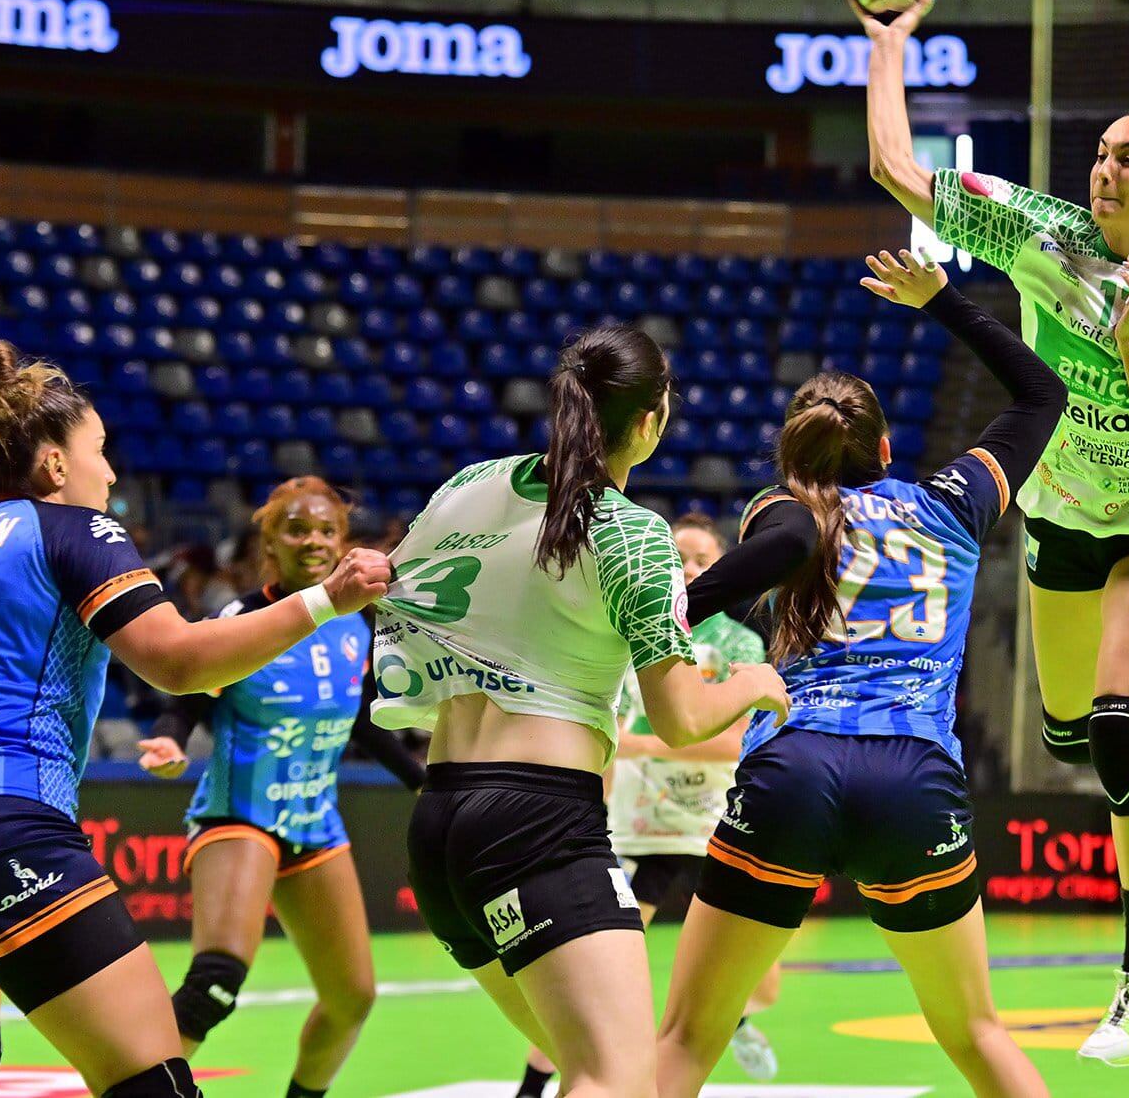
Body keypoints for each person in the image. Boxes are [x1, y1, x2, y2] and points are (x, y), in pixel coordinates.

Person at [855, 0, 1129, 1065]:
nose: (1105, 168)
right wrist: (889, 47)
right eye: (1100, 151)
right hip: (1061, 513)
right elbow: (898, 171)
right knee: (1071, 737)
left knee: (1125, 731)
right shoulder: (1039, 231)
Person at [0, 341, 391, 1098]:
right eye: (100, 452)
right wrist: (325, 601)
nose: (109, 473)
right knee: (151, 1081)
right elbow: (178, 662)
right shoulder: (77, 528)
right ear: (53, 465)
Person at [656, 252, 1062, 1098]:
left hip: (794, 764)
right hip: (912, 778)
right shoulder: (953, 501)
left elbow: (768, 555)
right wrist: (942, 300)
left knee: (687, 1040)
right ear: (882, 445)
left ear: (794, 452)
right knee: (976, 1034)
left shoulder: (778, 510)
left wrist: (669, 612)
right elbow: (1040, 396)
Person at [372, 325, 789, 1098]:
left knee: (588, 1066)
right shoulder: (632, 533)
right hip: (537, 823)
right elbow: (679, 717)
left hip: (440, 826)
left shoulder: (468, 485)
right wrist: (756, 680)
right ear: (652, 419)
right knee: (618, 1078)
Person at [138, 477, 423, 1098]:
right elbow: (187, 694)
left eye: (327, 530)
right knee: (215, 980)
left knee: (352, 998)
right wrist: (168, 738)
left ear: (344, 543)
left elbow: (365, 723)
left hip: (316, 821)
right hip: (239, 815)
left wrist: (428, 787)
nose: (314, 540)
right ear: (272, 541)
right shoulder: (243, 616)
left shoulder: (358, 626)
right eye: (297, 529)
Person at [514, 514, 781, 1098]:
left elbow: (730, 743)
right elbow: (610, 733)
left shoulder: (742, 644)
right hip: (643, 825)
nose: (690, 568)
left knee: (765, 985)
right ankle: (532, 1085)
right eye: (680, 557)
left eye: (704, 559)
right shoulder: (635, 630)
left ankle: (735, 1017)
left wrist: (647, 742)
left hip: (715, 821)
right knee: (601, 978)